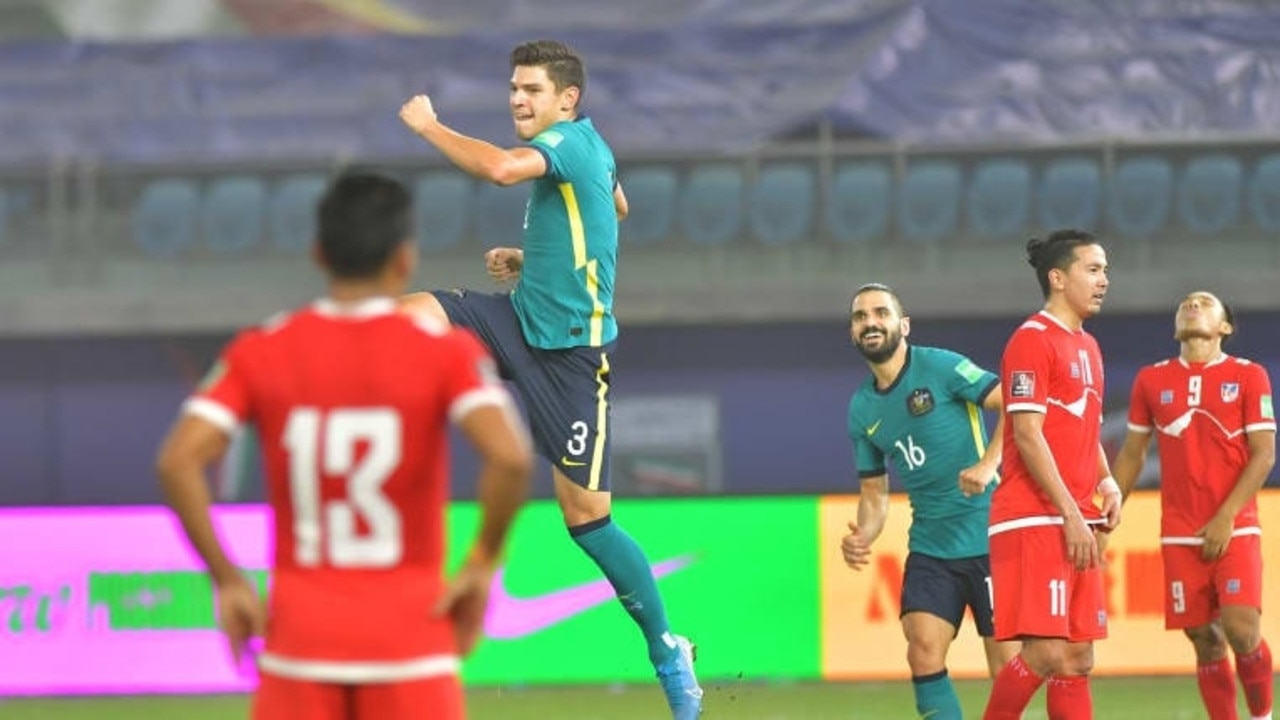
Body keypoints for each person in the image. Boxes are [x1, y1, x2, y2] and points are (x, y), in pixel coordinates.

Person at [155, 172, 534, 720]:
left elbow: (177, 461)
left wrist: (228, 580)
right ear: (404, 260)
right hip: (412, 645)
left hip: (300, 648)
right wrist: (480, 563)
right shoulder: (446, 351)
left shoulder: (263, 349)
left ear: (319, 254)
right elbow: (510, 457)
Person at [396, 39, 702, 718]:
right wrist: (537, 256)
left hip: (570, 360)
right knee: (410, 314)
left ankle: (668, 649)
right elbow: (616, 206)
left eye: (530, 90)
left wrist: (429, 126)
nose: (516, 100)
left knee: (588, 521)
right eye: (512, 89)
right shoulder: (590, 149)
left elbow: (504, 171)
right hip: (520, 317)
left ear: (567, 100)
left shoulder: (567, 141)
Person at [840, 283, 1017, 720]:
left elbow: (1016, 404)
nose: (870, 322)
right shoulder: (862, 409)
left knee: (1009, 671)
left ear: (903, 325)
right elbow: (874, 494)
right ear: (853, 332)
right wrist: (865, 532)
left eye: (880, 313)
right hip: (931, 549)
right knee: (922, 651)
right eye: (860, 317)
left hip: (991, 536)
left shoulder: (941, 366)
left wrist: (988, 464)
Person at [1112, 291, 1275, 720]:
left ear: (1225, 327)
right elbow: (1132, 452)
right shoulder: (1151, 379)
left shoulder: (1249, 375)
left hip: (1234, 525)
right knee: (1203, 637)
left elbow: (1264, 454)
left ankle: (1261, 715)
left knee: (1242, 631)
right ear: (1175, 327)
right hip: (1179, 529)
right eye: (1186, 302)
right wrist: (1109, 503)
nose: (1192, 304)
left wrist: (1225, 516)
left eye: (1204, 301)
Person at [983, 230, 1123, 720]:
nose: (1105, 280)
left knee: (1078, 658)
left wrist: (1106, 482)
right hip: (1033, 516)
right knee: (1044, 652)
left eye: (1105, 270)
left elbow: (1085, 429)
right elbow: (1026, 434)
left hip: (1077, 514)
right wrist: (1070, 513)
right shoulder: (1031, 342)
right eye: (1093, 269)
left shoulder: (1088, 346)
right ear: (1058, 278)